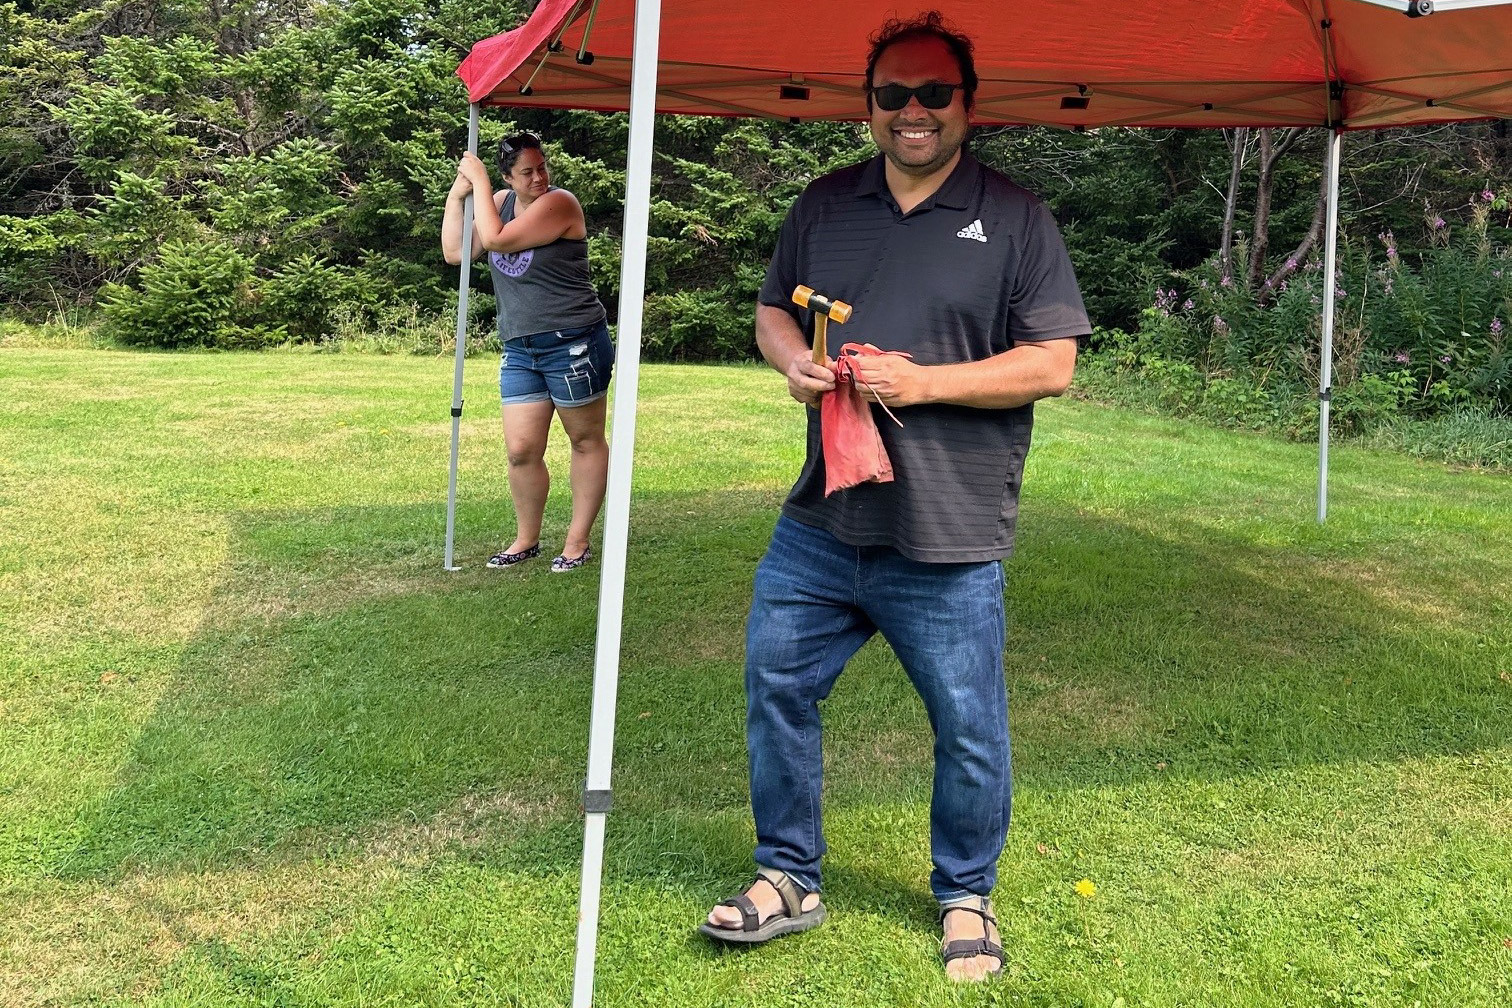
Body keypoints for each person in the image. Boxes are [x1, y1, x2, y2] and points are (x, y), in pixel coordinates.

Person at [698, 11, 1089, 983]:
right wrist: (794, 362)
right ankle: (789, 876)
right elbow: (771, 311)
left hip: (948, 531)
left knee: (967, 725)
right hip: (822, 520)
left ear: (969, 104)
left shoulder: (1017, 218)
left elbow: (1055, 362)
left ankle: (967, 895)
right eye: (892, 95)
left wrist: (924, 384)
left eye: (933, 94)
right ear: (866, 105)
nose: (912, 112)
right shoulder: (824, 206)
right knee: (777, 685)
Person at [442, 132, 613, 572]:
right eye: (527, 171)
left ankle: (576, 542)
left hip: (573, 342)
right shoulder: (496, 201)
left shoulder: (560, 204)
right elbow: (457, 252)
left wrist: (479, 183)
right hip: (520, 347)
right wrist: (458, 193)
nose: (539, 177)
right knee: (520, 449)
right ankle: (526, 539)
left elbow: (496, 241)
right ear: (507, 177)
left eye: (542, 167)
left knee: (584, 440)